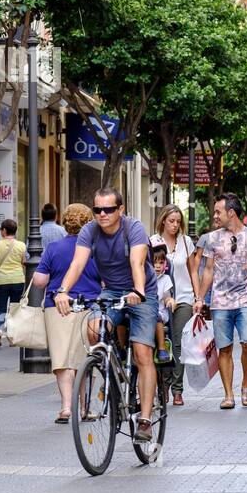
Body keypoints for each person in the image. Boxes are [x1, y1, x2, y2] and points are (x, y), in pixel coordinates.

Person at [55, 187, 159, 442]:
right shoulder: (89, 231)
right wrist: (62, 291)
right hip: (111, 291)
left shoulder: (133, 228)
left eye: (108, 209)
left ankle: (145, 419)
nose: (102, 214)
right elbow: (77, 263)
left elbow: (137, 263)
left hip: (142, 291)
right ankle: (113, 370)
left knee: (142, 352)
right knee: (93, 331)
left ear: (120, 210)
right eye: (97, 209)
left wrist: (138, 291)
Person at [193, 193, 247, 409]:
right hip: (220, 303)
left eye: (218, 211)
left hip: (246, 300)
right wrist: (200, 298)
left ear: (231, 212)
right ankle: (228, 394)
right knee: (224, 349)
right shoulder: (212, 239)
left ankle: (246, 383)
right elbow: (207, 271)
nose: (215, 215)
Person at [33, 204, 101, 423]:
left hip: (58, 308)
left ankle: (65, 408)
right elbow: (106, 279)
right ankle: (85, 408)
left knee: (63, 360)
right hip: (89, 306)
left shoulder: (53, 248)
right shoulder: (95, 248)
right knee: (85, 359)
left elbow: (39, 280)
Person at [150, 204, 196, 406]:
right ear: (163, 221)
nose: (175, 225)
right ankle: (163, 386)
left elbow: (193, 271)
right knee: (161, 343)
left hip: (184, 298)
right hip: (159, 299)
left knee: (178, 343)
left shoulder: (186, 242)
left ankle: (177, 389)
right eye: (171, 221)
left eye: (178, 221)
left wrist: (199, 297)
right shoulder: (153, 241)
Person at [0, 219, 27, 346]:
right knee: (14, 309)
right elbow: (23, 263)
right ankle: (12, 337)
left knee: (1, 308)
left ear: (4, 231)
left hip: (1, 281)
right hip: (17, 280)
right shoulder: (21, 245)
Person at [150, 243, 174, 363]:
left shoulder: (165, 279)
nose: (157, 266)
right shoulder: (144, 277)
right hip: (145, 310)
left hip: (160, 311)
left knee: (156, 316)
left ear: (165, 264)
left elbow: (166, 296)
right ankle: (123, 347)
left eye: (161, 262)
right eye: (155, 262)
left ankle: (162, 347)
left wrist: (169, 300)